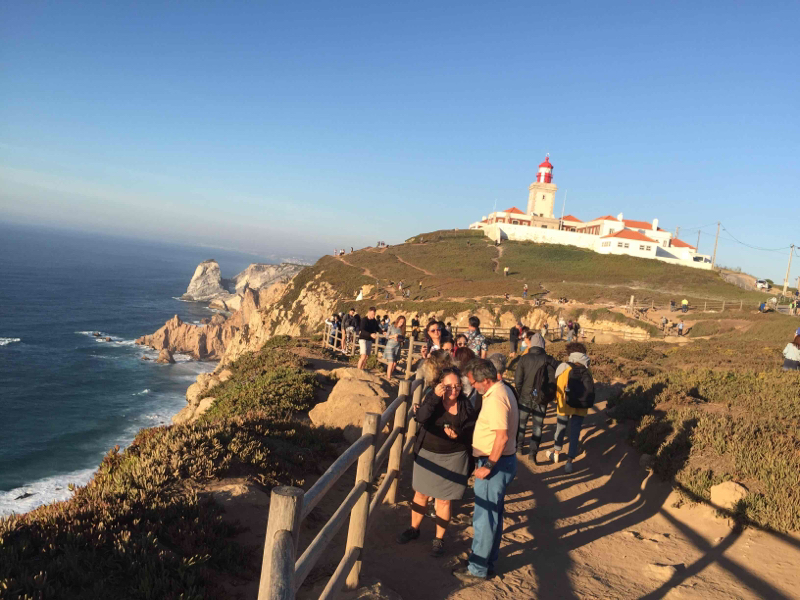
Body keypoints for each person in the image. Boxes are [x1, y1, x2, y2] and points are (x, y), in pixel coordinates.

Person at [398, 367, 478, 557]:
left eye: (457, 386)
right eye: (448, 386)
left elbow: (470, 430)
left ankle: (439, 539)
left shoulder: (466, 404)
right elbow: (421, 417)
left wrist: (457, 434)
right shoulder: (432, 398)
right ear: (440, 385)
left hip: (454, 457)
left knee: (444, 500)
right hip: (428, 455)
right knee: (421, 494)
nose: (453, 390)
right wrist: (434, 396)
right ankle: (414, 529)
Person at [453, 360, 518, 583]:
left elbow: (502, 436)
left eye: (474, 383)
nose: (473, 387)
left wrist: (488, 465)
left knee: (484, 518)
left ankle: (478, 568)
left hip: (495, 465)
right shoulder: (501, 390)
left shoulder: (497, 398)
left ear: (486, 380)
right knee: (492, 517)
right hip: (501, 463)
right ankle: (483, 561)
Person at [546, 343, 595, 474]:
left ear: (570, 353)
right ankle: (569, 462)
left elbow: (559, 388)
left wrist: (558, 401)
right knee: (575, 433)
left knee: (561, 427)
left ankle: (556, 453)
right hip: (581, 405)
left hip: (564, 404)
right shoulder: (587, 369)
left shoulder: (564, 367)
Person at [514, 333, 559, 461]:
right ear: (543, 345)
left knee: (521, 424)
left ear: (532, 345)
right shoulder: (550, 359)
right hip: (542, 398)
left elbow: (518, 380)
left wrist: (521, 393)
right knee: (537, 426)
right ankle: (533, 453)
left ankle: (519, 448)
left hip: (525, 397)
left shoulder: (524, 358)